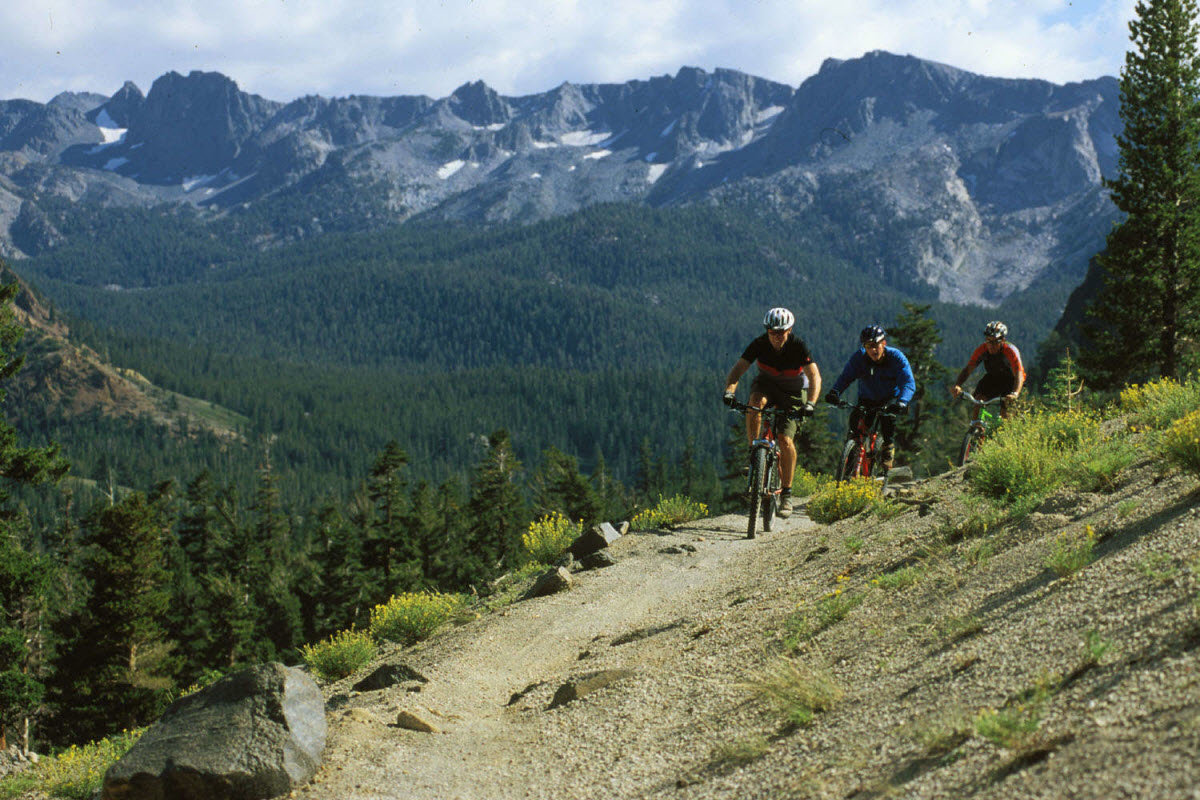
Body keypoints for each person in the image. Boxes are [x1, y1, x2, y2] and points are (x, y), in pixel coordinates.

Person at [723, 307, 821, 519]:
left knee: (785, 440)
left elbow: (814, 377)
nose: (777, 337)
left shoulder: (797, 346)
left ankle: (786, 494)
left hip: (794, 392)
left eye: (781, 332)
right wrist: (729, 392)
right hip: (766, 385)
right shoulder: (759, 344)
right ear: (767, 331)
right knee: (754, 404)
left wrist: (811, 403)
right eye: (772, 332)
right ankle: (754, 453)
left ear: (790, 329)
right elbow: (737, 370)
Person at [824, 325, 915, 472]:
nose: (873, 350)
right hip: (867, 398)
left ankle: (887, 449)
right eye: (868, 346)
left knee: (888, 421)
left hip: (890, 398)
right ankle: (850, 462)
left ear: (883, 343)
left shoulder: (896, 357)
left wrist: (902, 402)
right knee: (855, 427)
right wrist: (835, 392)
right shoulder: (859, 358)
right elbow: (846, 377)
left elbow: (908, 382)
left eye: (876, 345)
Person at [950, 321, 1025, 418]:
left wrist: (1015, 393)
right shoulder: (982, 349)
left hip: (1011, 381)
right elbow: (968, 369)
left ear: (1002, 340)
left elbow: (1019, 374)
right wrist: (958, 385)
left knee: (1005, 413)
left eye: (995, 342)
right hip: (993, 378)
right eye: (988, 341)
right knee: (978, 401)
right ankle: (977, 429)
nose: (991, 345)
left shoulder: (1010, 350)